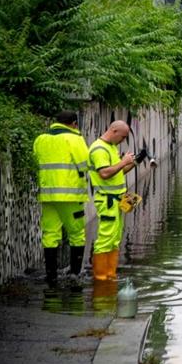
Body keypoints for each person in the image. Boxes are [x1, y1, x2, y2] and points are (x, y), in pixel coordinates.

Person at [33, 110, 90, 287]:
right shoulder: (75, 139)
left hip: (48, 195)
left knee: (50, 234)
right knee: (77, 234)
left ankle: (51, 276)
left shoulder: (40, 139)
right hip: (70, 195)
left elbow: (36, 161)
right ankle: (75, 274)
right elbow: (85, 165)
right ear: (74, 123)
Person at [88, 120, 136, 281]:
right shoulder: (99, 149)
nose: (123, 140)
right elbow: (104, 173)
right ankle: (101, 278)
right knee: (106, 237)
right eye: (123, 137)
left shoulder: (112, 147)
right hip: (107, 200)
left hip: (119, 199)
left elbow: (118, 172)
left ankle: (110, 275)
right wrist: (123, 162)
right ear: (114, 131)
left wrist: (133, 162)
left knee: (115, 238)